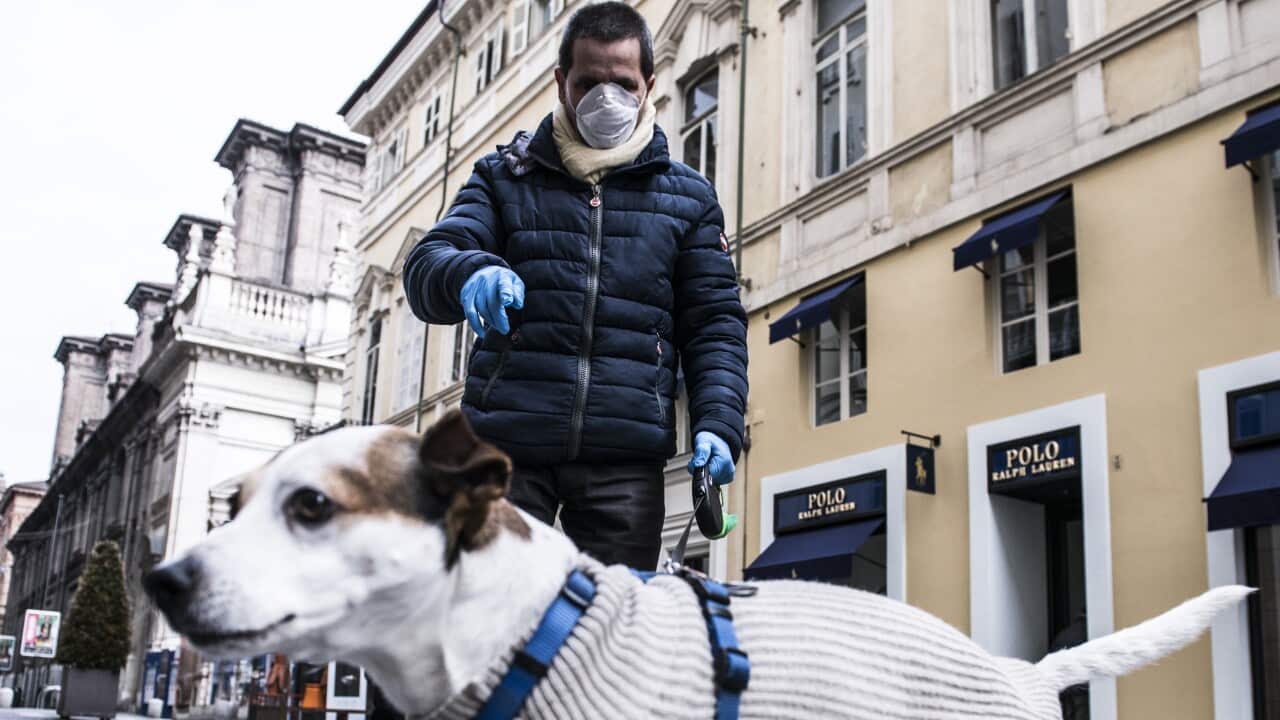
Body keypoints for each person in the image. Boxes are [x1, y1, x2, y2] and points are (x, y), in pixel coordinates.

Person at [403, 1, 748, 569]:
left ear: (649, 85)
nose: (606, 99)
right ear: (561, 81)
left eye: (623, 84)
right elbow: (428, 264)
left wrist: (719, 421)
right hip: (507, 448)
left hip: (625, 458)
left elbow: (714, 323)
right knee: (494, 610)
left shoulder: (689, 198)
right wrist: (470, 272)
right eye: (589, 83)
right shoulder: (504, 176)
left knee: (614, 625)